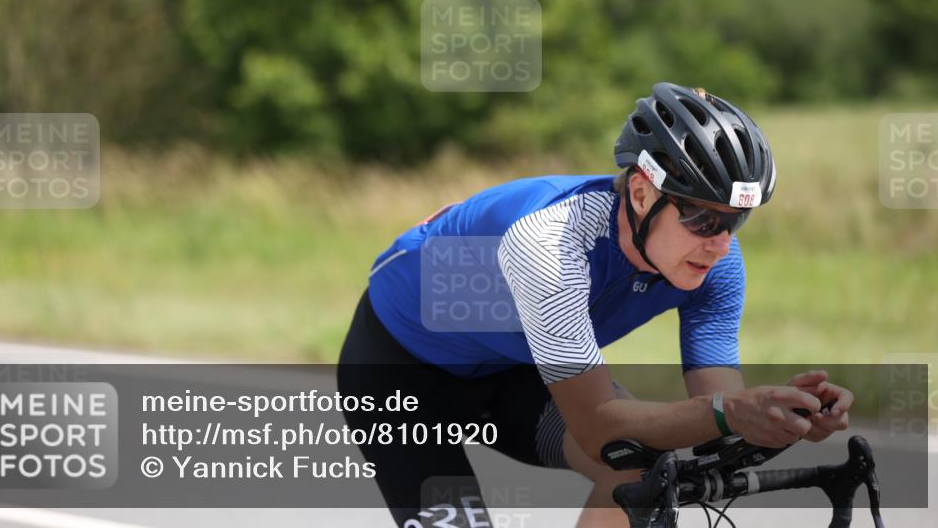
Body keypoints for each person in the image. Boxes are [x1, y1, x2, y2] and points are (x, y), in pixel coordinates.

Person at [337, 83, 854, 528]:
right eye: (701, 219)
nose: (718, 243)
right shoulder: (551, 243)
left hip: (515, 369)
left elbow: (720, 414)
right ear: (642, 194)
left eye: (733, 222)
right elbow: (598, 425)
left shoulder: (716, 260)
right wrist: (731, 413)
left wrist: (782, 418)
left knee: (639, 465)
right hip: (400, 378)